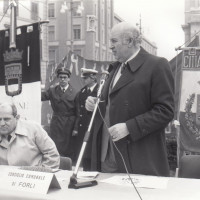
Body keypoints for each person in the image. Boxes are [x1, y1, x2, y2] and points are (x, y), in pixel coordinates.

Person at [85, 22, 174, 176]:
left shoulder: (157, 65)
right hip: (106, 154)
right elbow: (112, 104)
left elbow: (165, 111)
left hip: (137, 156)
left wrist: (129, 127)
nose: (110, 46)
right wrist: (94, 104)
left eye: (114, 41)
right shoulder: (114, 68)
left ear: (130, 41)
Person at [0, 102, 60, 169]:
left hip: (33, 176)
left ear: (17, 118)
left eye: (6, 119)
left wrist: (41, 174)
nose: (2, 123)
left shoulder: (33, 129)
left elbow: (52, 155)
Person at [41, 66, 77, 158]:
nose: (62, 79)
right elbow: (41, 96)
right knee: (55, 144)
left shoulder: (75, 92)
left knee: (68, 146)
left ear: (68, 78)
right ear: (58, 78)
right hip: (56, 122)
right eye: (60, 77)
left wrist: (75, 128)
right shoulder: (53, 90)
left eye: (65, 77)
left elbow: (78, 113)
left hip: (69, 123)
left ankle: (67, 165)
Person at [72, 68, 98, 171]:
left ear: (93, 78)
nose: (84, 80)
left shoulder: (101, 90)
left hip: (94, 128)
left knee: (94, 155)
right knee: (85, 155)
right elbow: (79, 112)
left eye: (86, 78)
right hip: (83, 129)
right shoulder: (82, 92)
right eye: (84, 78)